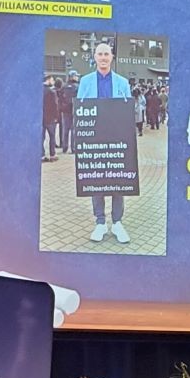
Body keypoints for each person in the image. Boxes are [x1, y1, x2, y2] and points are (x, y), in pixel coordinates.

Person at [77, 42, 132, 244]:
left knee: (118, 180)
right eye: (99, 54)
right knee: (96, 181)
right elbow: (79, 108)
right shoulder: (85, 82)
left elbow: (128, 111)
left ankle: (117, 222)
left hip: (117, 137)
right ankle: (100, 222)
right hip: (94, 138)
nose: (103, 57)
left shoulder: (123, 83)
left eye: (106, 54)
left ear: (112, 57)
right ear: (95, 56)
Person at [42, 74, 59, 162]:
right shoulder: (52, 92)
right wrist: (56, 116)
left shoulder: (39, 90)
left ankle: (42, 155)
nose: (53, 81)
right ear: (48, 80)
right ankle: (52, 155)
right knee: (52, 136)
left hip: (41, 117)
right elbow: (55, 105)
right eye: (52, 80)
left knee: (41, 137)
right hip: (50, 118)